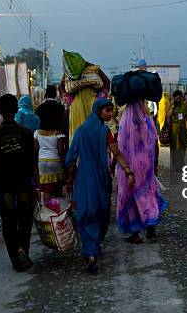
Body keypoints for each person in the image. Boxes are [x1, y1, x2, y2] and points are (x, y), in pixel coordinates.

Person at [64, 99, 135, 273]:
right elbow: (116, 153)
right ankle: (93, 250)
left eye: (111, 111)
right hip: (101, 178)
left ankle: (90, 252)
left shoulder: (80, 131)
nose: (110, 114)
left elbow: (71, 158)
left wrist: (68, 179)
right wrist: (128, 171)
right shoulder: (105, 132)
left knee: (85, 214)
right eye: (107, 111)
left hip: (83, 180)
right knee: (100, 214)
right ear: (98, 111)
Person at [0, 94, 38, 272]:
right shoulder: (26, 134)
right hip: (24, 184)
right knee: (25, 220)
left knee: (8, 221)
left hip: (5, 185)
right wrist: (37, 185)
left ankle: (15, 256)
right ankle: (23, 250)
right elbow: (33, 163)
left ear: (0, 111)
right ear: (17, 110)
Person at [116, 100, 168, 244]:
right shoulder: (148, 121)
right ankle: (151, 228)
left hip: (129, 167)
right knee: (147, 194)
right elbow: (155, 144)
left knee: (131, 196)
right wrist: (155, 164)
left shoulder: (125, 121)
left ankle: (135, 233)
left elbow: (120, 146)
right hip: (145, 166)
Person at [34, 100, 68, 200]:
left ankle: (47, 210)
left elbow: (35, 150)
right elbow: (61, 151)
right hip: (55, 162)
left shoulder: (36, 133)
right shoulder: (58, 133)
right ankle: (57, 210)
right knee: (57, 187)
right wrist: (64, 166)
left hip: (42, 163)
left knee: (46, 189)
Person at [169, 90, 187, 172]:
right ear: (174, 98)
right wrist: (172, 107)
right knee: (175, 147)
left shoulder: (185, 106)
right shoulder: (172, 106)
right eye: (177, 98)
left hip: (183, 128)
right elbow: (168, 116)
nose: (178, 100)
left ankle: (181, 162)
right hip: (174, 129)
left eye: (180, 98)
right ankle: (176, 165)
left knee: (183, 146)